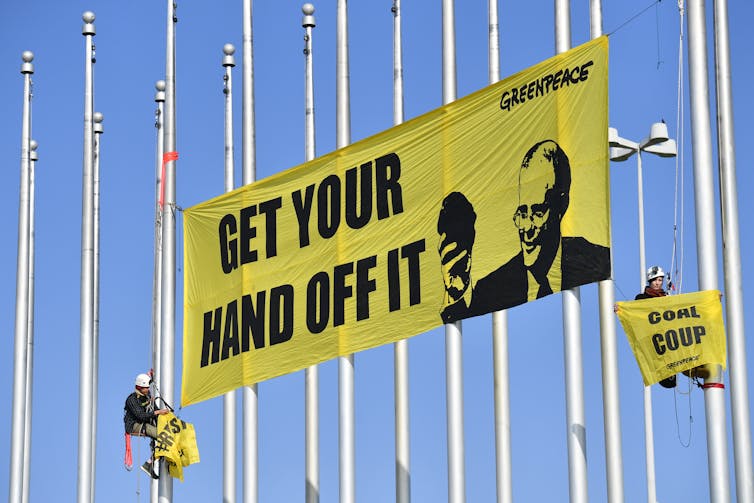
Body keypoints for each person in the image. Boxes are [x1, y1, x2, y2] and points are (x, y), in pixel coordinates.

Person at [470, 140, 611, 313]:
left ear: (562, 205)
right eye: (522, 214)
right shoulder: (490, 289)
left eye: (537, 213)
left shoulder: (595, 259)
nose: (527, 228)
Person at [437, 192, 487, 322]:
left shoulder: (489, 295)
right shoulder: (435, 312)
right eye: (446, 259)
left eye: (457, 256)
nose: (450, 266)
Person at [634, 265, 677, 389]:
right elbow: (633, 312)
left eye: (660, 280)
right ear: (650, 281)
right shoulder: (641, 298)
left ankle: (672, 375)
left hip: (667, 336)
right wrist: (621, 309)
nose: (658, 283)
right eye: (655, 280)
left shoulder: (667, 298)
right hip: (652, 337)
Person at [124, 372, 170, 478]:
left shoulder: (146, 394)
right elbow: (141, 416)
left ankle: (150, 464)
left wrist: (151, 376)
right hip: (134, 425)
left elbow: (147, 382)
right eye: (145, 388)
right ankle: (149, 464)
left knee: (167, 434)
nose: (148, 389)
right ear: (139, 387)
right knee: (164, 437)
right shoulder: (131, 400)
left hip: (145, 421)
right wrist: (158, 412)